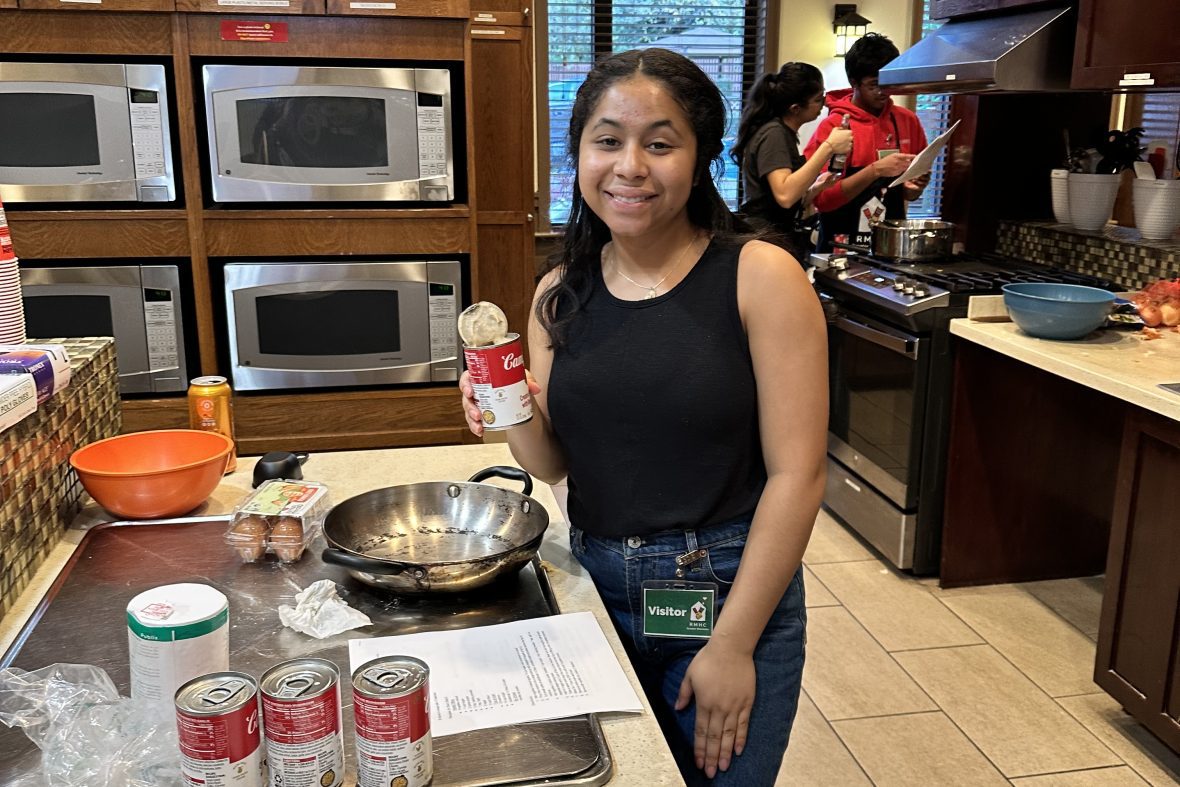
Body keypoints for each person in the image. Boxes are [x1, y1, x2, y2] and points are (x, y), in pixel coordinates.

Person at [459, 48, 828, 786]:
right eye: (607, 140)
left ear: (700, 158)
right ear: (579, 154)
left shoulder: (759, 275)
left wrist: (732, 645)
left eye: (659, 143)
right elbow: (554, 463)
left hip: (726, 590)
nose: (630, 165)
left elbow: (798, 474)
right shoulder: (558, 293)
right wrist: (508, 410)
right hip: (595, 583)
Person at [803, 33, 929, 252]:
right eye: (873, 85)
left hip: (890, 247)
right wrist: (876, 170)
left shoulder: (908, 121)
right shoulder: (834, 127)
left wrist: (915, 186)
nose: (883, 92)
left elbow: (909, 194)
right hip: (839, 248)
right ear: (854, 83)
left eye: (888, 83)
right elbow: (823, 200)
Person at [731, 62, 853, 262]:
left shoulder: (783, 133)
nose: (823, 103)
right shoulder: (774, 134)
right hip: (765, 240)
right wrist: (829, 146)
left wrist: (815, 189)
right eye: (817, 99)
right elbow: (785, 194)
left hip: (776, 237)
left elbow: (785, 200)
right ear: (795, 108)